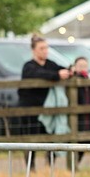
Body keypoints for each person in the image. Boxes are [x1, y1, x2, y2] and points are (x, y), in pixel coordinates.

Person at [19, 34, 71, 170]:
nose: (45, 51)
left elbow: (62, 69)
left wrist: (70, 71)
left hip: (48, 109)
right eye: (42, 48)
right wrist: (56, 76)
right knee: (31, 140)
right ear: (34, 50)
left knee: (51, 136)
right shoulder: (28, 66)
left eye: (46, 48)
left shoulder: (50, 64)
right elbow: (39, 74)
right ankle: (31, 169)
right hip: (31, 110)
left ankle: (49, 167)